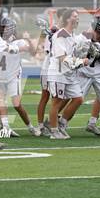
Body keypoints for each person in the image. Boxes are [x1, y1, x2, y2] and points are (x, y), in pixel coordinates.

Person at [0, 15, 41, 136]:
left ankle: (30, 127)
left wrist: (28, 40)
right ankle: (3, 126)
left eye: (6, 27)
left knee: (16, 104)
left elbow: (32, 51)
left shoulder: (18, 40)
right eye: (3, 27)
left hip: (13, 76)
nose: (4, 29)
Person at [46, 9, 88, 139]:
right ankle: (54, 131)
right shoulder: (60, 35)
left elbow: (73, 53)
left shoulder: (72, 35)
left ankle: (62, 124)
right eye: (75, 16)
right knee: (56, 102)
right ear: (67, 19)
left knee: (78, 99)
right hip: (58, 73)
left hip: (69, 74)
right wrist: (80, 62)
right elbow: (62, 57)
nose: (77, 18)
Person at [36, 8, 66, 136]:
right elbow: (49, 51)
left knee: (63, 96)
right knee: (45, 96)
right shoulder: (53, 30)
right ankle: (41, 126)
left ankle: (51, 121)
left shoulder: (65, 32)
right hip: (49, 67)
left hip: (59, 68)